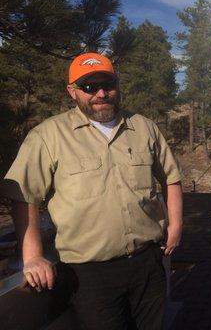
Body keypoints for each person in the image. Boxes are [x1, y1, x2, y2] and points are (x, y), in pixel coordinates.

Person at [2, 52, 183, 330]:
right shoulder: (48, 135)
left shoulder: (144, 127)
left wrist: (177, 224)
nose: (101, 93)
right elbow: (23, 194)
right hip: (87, 275)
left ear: (117, 85)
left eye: (107, 84)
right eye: (89, 86)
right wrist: (33, 256)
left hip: (148, 262)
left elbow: (171, 177)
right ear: (72, 92)